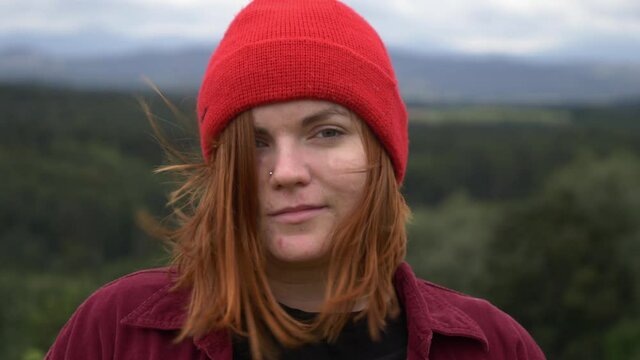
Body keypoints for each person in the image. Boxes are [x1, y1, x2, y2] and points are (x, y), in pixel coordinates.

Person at [46, 0, 546, 359]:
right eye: (256, 143)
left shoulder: (493, 346)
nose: (285, 173)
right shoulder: (117, 333)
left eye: (326, 132)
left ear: (384, 152)